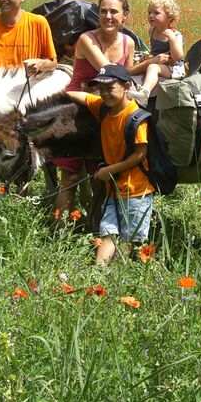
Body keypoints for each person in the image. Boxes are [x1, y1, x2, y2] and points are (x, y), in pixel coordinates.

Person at [51, 0, 136, 221]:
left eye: (114, 11)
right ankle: (60, 231)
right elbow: (111, 72)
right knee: (69, 176)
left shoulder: (128, 43)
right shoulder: (87, 39)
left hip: (104, 112)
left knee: (101, 176)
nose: (108, 16)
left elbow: (125, 81)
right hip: (76, 111)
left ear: (125, 16)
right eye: (103, 11)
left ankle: (96, 228)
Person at [63, 64, 153, 266]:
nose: (104, 93)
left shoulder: (135, 116)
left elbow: (140, 154)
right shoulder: (103, 108)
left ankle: (119, 275)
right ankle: (98, 273)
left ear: (126, 86)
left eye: (110, 88)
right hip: (113, 188)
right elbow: (82, 97)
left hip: (136, 190)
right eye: (101, 89)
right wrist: (62, 93)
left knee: (129, 237)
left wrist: (109, 170)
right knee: (108, 232)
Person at [127, 0, 184, 107]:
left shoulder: (175, 34)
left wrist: (172, 40)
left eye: (156, 13)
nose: (151, 16)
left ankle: (144, 93)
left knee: (152, 67)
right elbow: (155, 51)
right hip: (158, 61)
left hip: (173, 67)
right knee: (141, 64)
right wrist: (149, 57)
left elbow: (178, 56)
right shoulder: (152, 30)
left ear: (169, 17)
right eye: (149, 12)